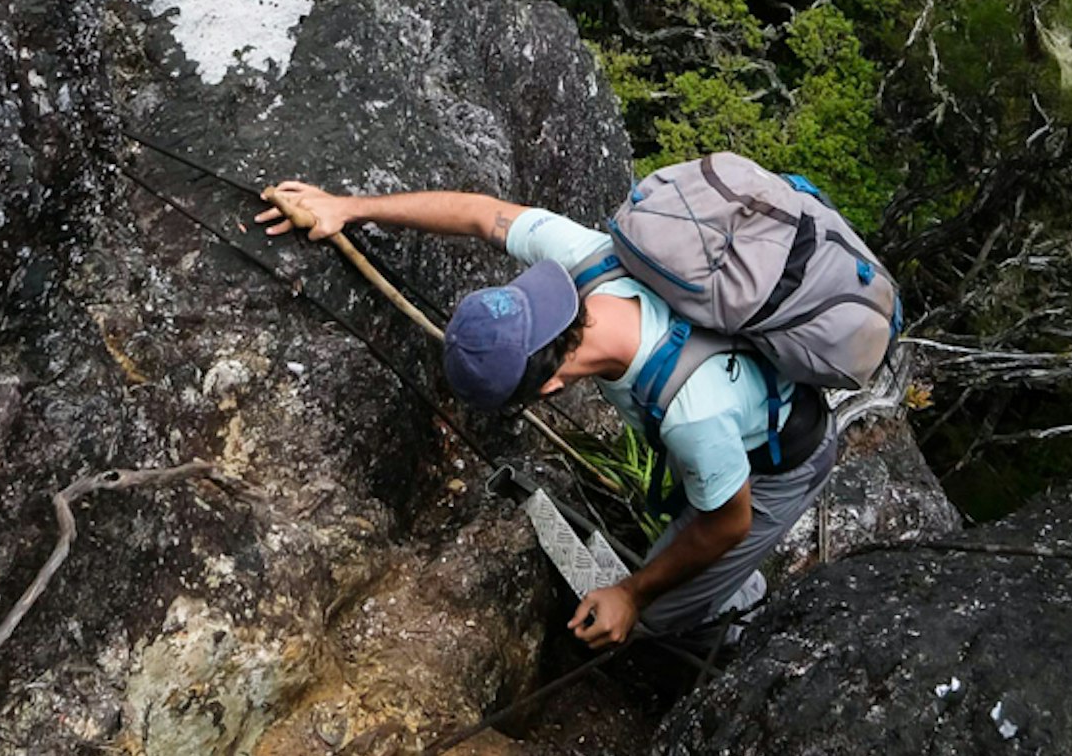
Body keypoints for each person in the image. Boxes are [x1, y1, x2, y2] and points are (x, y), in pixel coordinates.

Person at [256, 177, 834, 652]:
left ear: (552, 384)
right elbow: (481, 215)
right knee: (694, 520)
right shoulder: (584, 261)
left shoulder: (694, 416)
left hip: (782, 459)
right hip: (735, 422)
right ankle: (727, 583)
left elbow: (729, 521)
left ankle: (736, 633)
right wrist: (347, 210)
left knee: (662, 622)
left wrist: (632, 596)